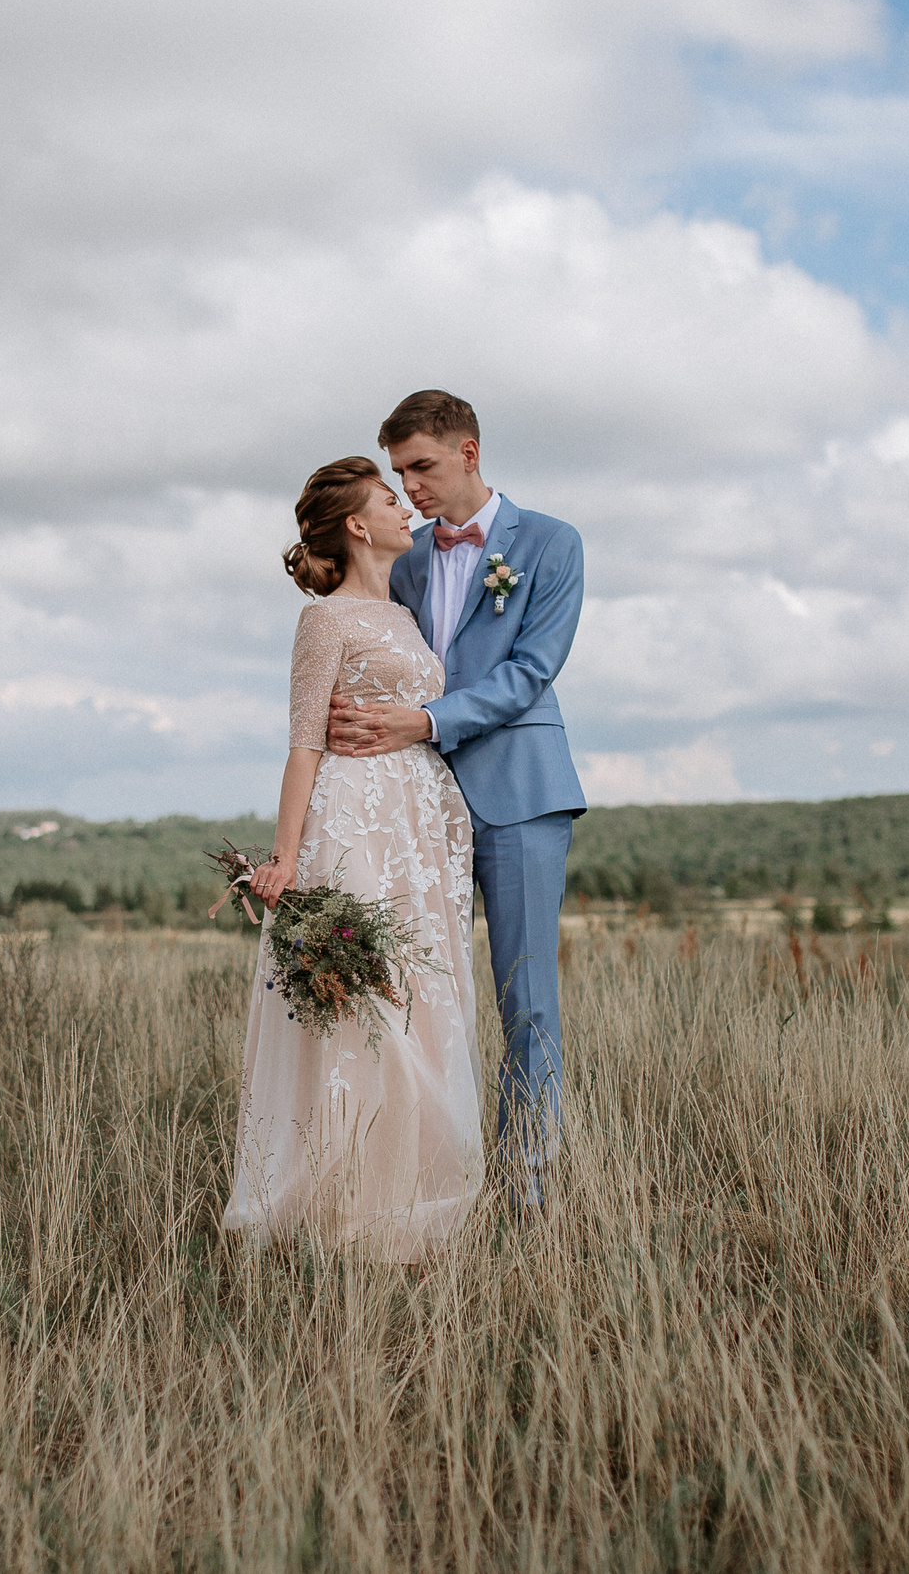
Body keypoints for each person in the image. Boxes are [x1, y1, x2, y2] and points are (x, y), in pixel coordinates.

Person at [222, 456, 485, 1262]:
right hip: (355, 824)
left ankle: (408, 1197)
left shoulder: (406, 616)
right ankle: (344, 1209)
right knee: (368, 1009)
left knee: (425, 1002)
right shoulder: (325, 622)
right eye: (388, 498)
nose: (408, 507)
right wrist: (285, 858)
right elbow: (303, 745)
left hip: (418, 833)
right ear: (358, 526)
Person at [328, 391, 584, 1210]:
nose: (411, 486)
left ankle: (529, 1191)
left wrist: (424, 721)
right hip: (413, 808)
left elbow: (529, 672)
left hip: (519, 794)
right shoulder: (402, 559)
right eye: (400, 472)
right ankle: (429, 1182)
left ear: (469, 452)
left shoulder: (551, 543)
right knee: (421, 994)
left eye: (423, 467)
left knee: (525, 998)